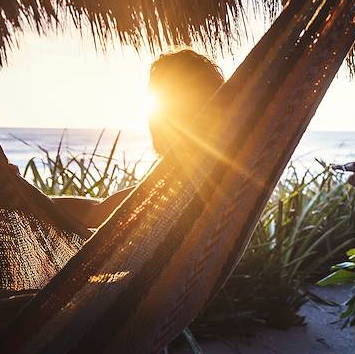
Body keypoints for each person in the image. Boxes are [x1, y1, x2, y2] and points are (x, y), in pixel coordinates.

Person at [49, 49, 225, 229]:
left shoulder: (177, 187)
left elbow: (95, 214)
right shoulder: (217, 180)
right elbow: (104, 207)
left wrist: (25, 197)